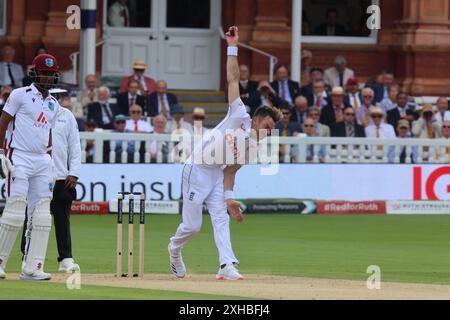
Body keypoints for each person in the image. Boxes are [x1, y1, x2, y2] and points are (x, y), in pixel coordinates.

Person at [168, 26, 281, 281]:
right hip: (197, 168)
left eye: (272, 132)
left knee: (221, 218)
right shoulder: (239, 115)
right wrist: (232, 46)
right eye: (267, 128)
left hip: (217, 174)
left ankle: (226, 265)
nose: (268, 134)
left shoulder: (252, 149)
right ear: (255, 120)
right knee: (192, 226)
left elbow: (230, 171)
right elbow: (232, 79)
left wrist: (230, 198)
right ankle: (174, 250)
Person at [0, 54, 61, 280]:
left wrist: (51, 160)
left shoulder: (54, 104)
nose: (46, 78)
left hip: (42, 160)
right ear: (34, 73)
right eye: (43, 73)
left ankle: (32, 267)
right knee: (15, 209)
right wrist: (0, 153)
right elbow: (3, 122)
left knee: (43, 214)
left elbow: (48, 134)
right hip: (20, 157)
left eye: (50, 74)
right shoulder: (19, 95)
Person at [20, 92, 81, 273]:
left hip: (61, 176)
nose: (55, 99)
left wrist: (74, 173)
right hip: (38, 174)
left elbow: (74, 145)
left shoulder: (66, 116)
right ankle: (28, 257)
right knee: (32, 216)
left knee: (62, 217)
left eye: (58, 96)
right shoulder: (32, 114)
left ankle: (66, 258)